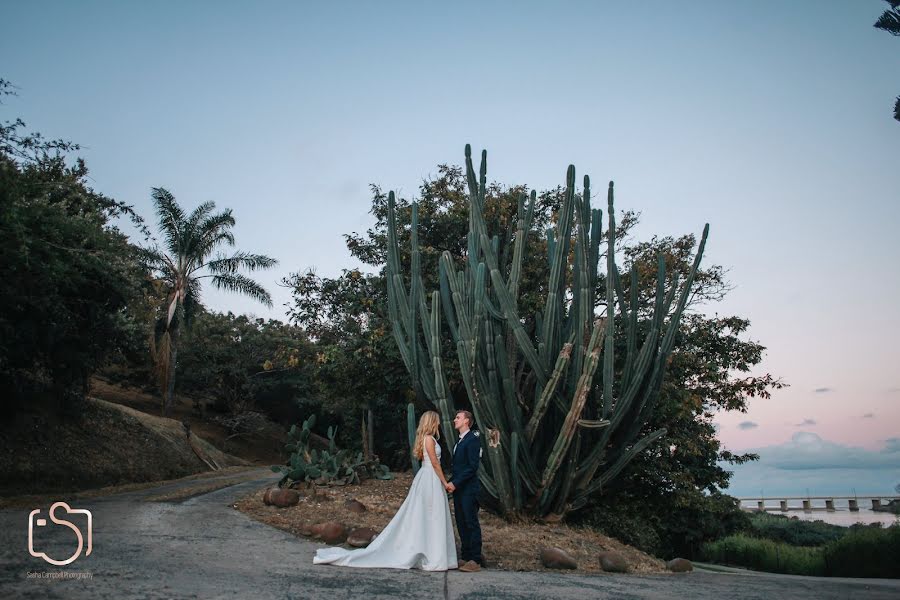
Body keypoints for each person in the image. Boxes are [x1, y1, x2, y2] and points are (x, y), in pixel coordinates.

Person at [312, 411, 457, 571]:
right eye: (436, 421)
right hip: (431, 478)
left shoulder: (426, 439)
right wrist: (445, 482)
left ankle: (432, 552)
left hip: (427, 477)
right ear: (431, 422)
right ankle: (433, 554)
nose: (439, 424)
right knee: (431, 514)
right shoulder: (429, 439)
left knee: (429, 515)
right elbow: (435, 464)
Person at [447, 409, 483, 572]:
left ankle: (475, 559)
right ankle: (466, 556)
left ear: (467, 421)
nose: (455, 420)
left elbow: (472, 467)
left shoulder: (472, 440)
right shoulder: (459, 442)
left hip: (469, 489)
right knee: (461, 522)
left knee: (471, 522)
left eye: (458, 417)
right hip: (459, 489)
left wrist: (455, 482)